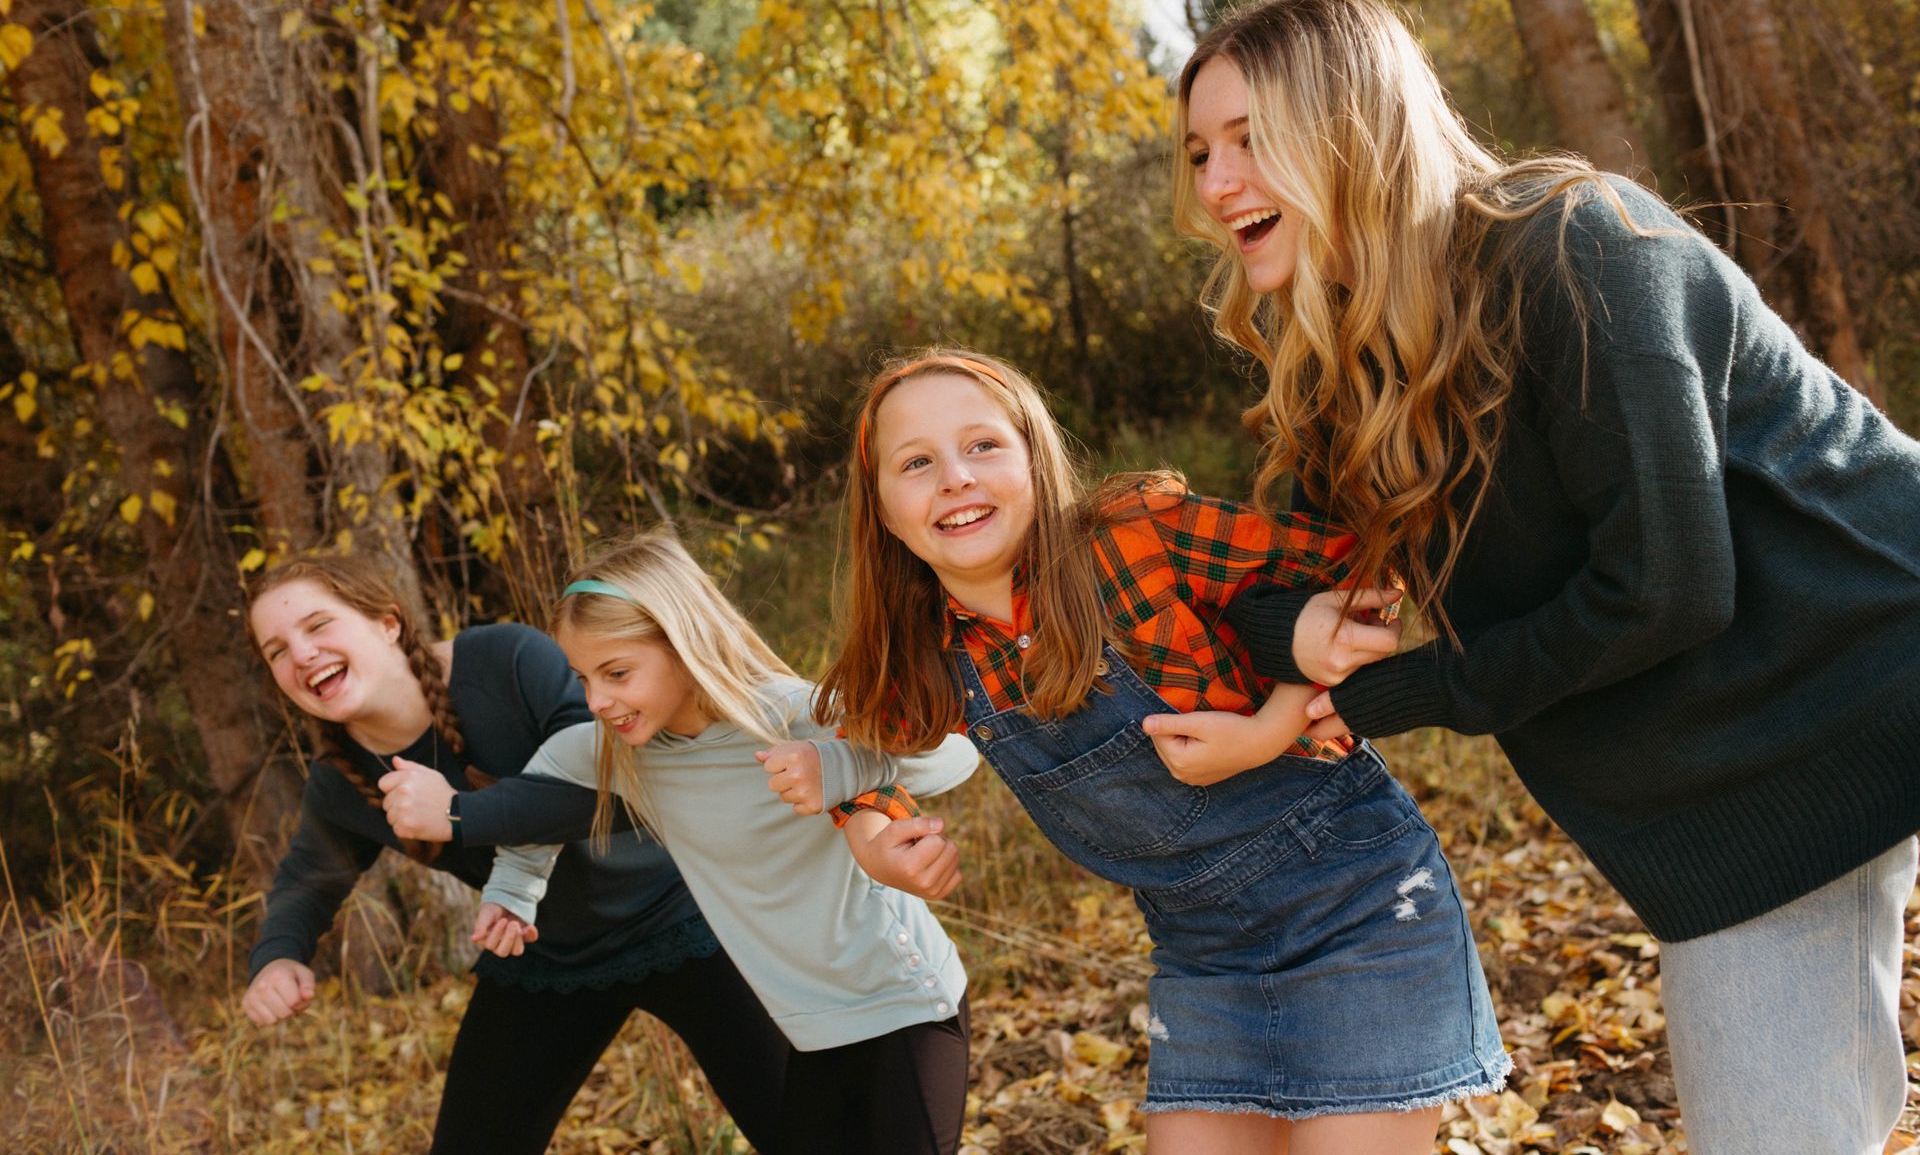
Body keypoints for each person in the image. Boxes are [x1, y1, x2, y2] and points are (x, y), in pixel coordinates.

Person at [1159, 0, 1920, 1155]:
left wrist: (1376, 697)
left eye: (1251, 141)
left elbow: (1666, 582)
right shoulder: (1340, 367)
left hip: (1876, 665)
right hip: (1726, 805)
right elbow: (1272, 588)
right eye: (1201, 150)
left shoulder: (1577, 245)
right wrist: (1295, 642)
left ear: (1352, 124)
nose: (1213, 185)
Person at [776, 348, 1510, 1154]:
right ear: (882, 510)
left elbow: (1362, 582)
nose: (955, 475)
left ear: (1034, 458)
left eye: (983, 444)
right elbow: (852, 747)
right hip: (1204, 956)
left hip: (1361, 909)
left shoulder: (1136, 541)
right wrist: (871, 838)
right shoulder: (931, 655)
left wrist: (1269, 728)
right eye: (916, 462)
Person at [387, 530, 981, 1155]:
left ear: (683, 642)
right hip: (812, 1030)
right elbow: (540, 801)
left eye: (616, 672)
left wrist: (834, 766)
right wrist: (513, 892)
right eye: (583, 677)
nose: (596, 700)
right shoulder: (620, 750)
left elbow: (956, 755)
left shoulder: (789, 714)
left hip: (903, 1005)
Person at [242, 554, 789, 1154]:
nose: (301, 654)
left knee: (804, 1131)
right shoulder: (342, 779)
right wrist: (278, 956)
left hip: (685, 916)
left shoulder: (503, 661)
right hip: (541, 956)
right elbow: (308, 879)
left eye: (318, 626)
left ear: (388, 623)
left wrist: (460, 814)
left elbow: (624, 780)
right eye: (276, 651)